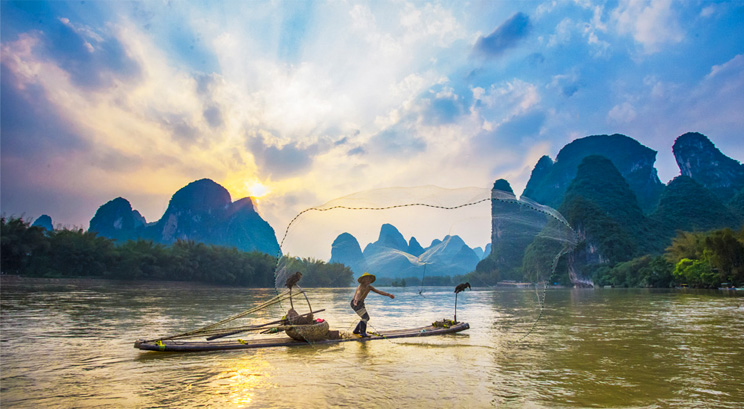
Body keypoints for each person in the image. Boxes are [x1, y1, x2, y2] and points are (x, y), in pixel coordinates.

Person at [350, 273, 394, 337]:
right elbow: (358, 293)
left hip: (361, 304)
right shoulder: (360, 286)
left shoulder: (369, 287)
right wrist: (356, 300)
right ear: (363, 280)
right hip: (355, 303)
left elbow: (379, 292)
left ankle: (356, 331)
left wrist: (389, 294)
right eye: (367, 279)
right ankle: (362, 333)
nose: (368, 280)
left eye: (369, 279)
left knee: (365, 318)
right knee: (365, 317)